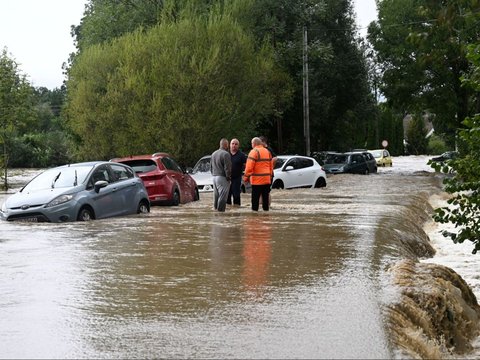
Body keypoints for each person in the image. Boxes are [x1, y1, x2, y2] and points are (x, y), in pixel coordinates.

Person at [243, 137, 273, 211]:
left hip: (257, 181)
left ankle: (255, 218)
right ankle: (266, 217)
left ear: (254, 143)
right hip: (266, 180)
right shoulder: (267, 152)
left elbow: (249, 167)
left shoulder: (254, 152)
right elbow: (271, 166)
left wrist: (245, 178)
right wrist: (270, 176)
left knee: (255, 202)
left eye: (251, 143)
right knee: (265, 201)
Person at [210, 138, 232, 212]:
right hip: (222, 177)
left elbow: (211, 167)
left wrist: (213, 174)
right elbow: (227, 168)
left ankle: (215, 211)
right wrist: (228, 177)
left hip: (214, 177)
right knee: (223, 197)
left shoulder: (213, 153)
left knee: (216, 197)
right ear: (226, 145)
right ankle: (220, 213)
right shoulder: (226, 154)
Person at [227, 138, 247, 206]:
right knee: (227, 196)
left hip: (237, 178)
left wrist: (245, 176)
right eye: (232, 144)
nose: (234, 145)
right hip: (227, 179)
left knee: (236, 196)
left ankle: (237, 212)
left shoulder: (241, 155)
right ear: (230, 145)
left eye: (236, 144)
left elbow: (246, 166)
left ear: (238, 146)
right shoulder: (226, 154)